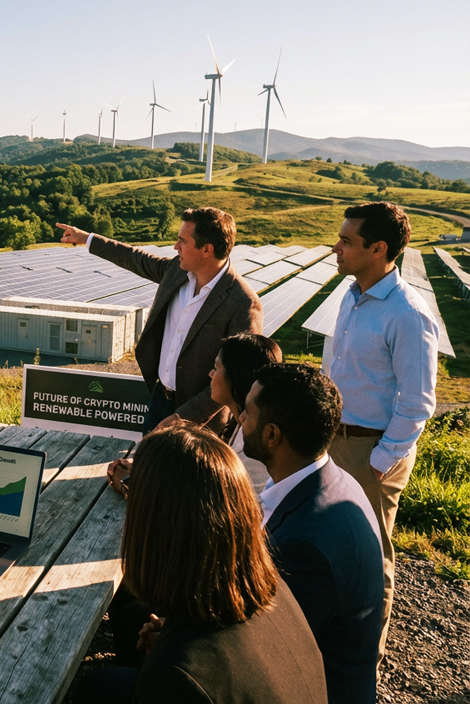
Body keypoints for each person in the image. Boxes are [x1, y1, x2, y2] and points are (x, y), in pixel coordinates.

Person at [84, 423, 327, 704]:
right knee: (132, 618)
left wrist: (172, 653)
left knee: (96, 686)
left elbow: (193, 677)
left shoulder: (176, 678)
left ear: (159, 530)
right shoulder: (272, 586)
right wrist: (171, 633)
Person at [59, 208, 262, 493]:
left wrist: (183, 418)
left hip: (202, 419)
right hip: (160, 400)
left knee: (182, 494)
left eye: (182, 240)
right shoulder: (175, 272)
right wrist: (87, 238)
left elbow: (238, 379)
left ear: (207, 249)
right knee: (150, 483)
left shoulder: (242, 302)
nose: (175, 246)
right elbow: (134, 258)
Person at [327, 202, 439, 663]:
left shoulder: (409, 314)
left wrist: (378, 461)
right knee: (332, 544)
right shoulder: (352, 295)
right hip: (335, 441)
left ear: (378, 249)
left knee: (372, 558)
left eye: (347, 241)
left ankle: (360, 664)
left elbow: (417, 403)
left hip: (369, 448)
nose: (336, 247)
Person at [240, 363, 384, 704]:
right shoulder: (333, 482)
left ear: (272, 435)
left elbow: (259, 650)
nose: (240, 421)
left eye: (247, 413)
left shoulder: (305, 545)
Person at [209, 332, 283, 492]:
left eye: (216, 368)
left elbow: (246, 502)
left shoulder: (255, 446)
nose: (211, 374)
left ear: (236, 376)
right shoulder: (240, 422)